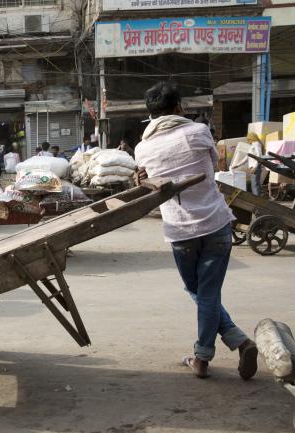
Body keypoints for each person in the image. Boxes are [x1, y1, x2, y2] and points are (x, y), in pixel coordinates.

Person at [134, 81, 257, 380]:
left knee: (199, 292)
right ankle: (237, 341)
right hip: (215, 223)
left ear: (151, 114)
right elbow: (213, 166)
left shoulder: (142, 148)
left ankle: (204, 357)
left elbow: (148, 180)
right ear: (179, 107)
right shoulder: (199, 132)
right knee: (207, 293)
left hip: (180, 230)